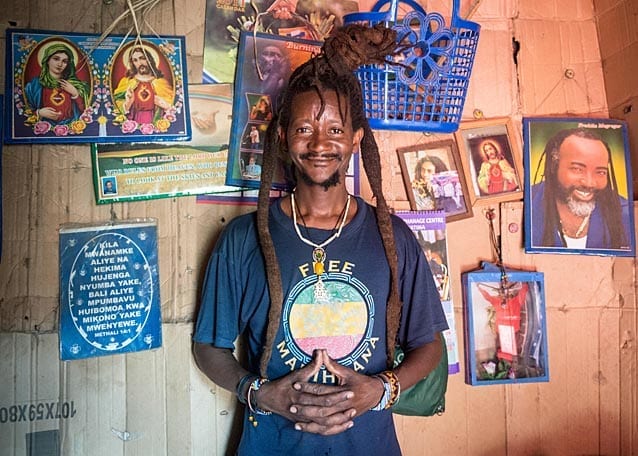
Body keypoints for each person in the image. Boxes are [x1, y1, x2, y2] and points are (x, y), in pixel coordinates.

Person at [193, 24, 447, 456]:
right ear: (283, 138)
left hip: (369, 444)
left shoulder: (393, 238)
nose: (319, 144)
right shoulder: (242, 239)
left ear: (356, 140)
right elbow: (208, 347)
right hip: (270, 444)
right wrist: (259, 393)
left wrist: (380, 391)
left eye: (334, 130)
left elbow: (429, 344)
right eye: (304, 129)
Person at [530, 128, 631, 250]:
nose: (589, 183)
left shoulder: (625, 216)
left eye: (600, 172)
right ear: (554, 166)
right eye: (577, 169)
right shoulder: (528, 205)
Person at [25, 42, 90, 124]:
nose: (60, 64)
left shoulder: (75, 85)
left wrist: (75, 94)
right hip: (45, 127)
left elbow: (86, 110)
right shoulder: (34, 85)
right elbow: (24, 111)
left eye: (65, 61)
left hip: (70, 124)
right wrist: (39, 113)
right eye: (56, 59)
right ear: (47, 60)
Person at [112, 45, 174, 124]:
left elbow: (172, 106)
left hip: (154, 121)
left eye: (142, 58)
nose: (139, 63)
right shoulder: (127, 82)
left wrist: (164, 104)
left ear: (149, 59)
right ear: (132, 63)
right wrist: (128, 103)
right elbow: (116, 106)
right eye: (135, 60)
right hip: (133, 121)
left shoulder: (161, 82)